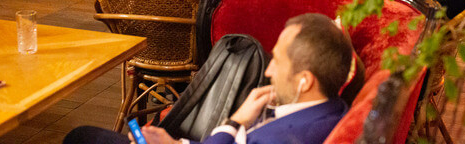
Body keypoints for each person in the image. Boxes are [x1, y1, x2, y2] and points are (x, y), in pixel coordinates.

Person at [62, 13, 353, 144]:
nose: (268, 71)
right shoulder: (334, 108)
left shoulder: (281, 138)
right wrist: (237, 120)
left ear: (304, 81)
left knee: (81, 136)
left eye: (276, 61)